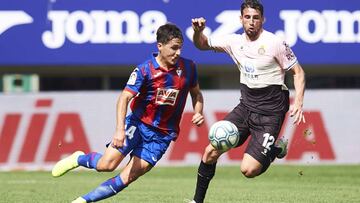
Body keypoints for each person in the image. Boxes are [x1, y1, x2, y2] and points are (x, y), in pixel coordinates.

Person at [51, 23, 205, 203]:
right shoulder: (144, 70)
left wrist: (198, 111)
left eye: (180, 48)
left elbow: (196, 94)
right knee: (106, 165)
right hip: (137, 124)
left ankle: (83, 201)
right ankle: (79, 158)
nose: (178, 53)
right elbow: (124, 98)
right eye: (174, 48)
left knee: (127, 177)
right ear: (160, 46)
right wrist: (119, 130)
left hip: (161, 137)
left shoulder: (189, 67)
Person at [189, 0, 306, 202]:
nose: (251, 22)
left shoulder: (275, 43)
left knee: (248, 170)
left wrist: (299, 102)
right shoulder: (234, 42)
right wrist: (198, 32)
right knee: (210, 151)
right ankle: (197, 201)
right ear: (241, 19)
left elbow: (298, 72)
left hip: (271, 112)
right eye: (247, 17)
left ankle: (276, 149)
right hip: (246, 107)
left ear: (263, 19)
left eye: (256, 17)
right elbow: (201, 45)